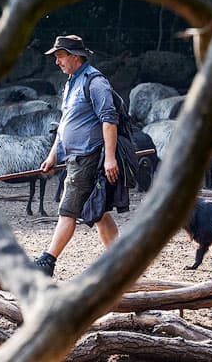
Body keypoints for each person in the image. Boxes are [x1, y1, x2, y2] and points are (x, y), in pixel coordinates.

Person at [34, 34, 128, 277]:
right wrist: (53, 155)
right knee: (99, 213)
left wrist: (109, 158)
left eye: (60, 56)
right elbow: (66, 123)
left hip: (88, 158)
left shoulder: (95, 82)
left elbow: (109, 119)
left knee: (68, 211)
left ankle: (47, 261)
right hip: (75, 157)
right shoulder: (71, 83)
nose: (57, 62)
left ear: (75, 56)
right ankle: (119, 261)